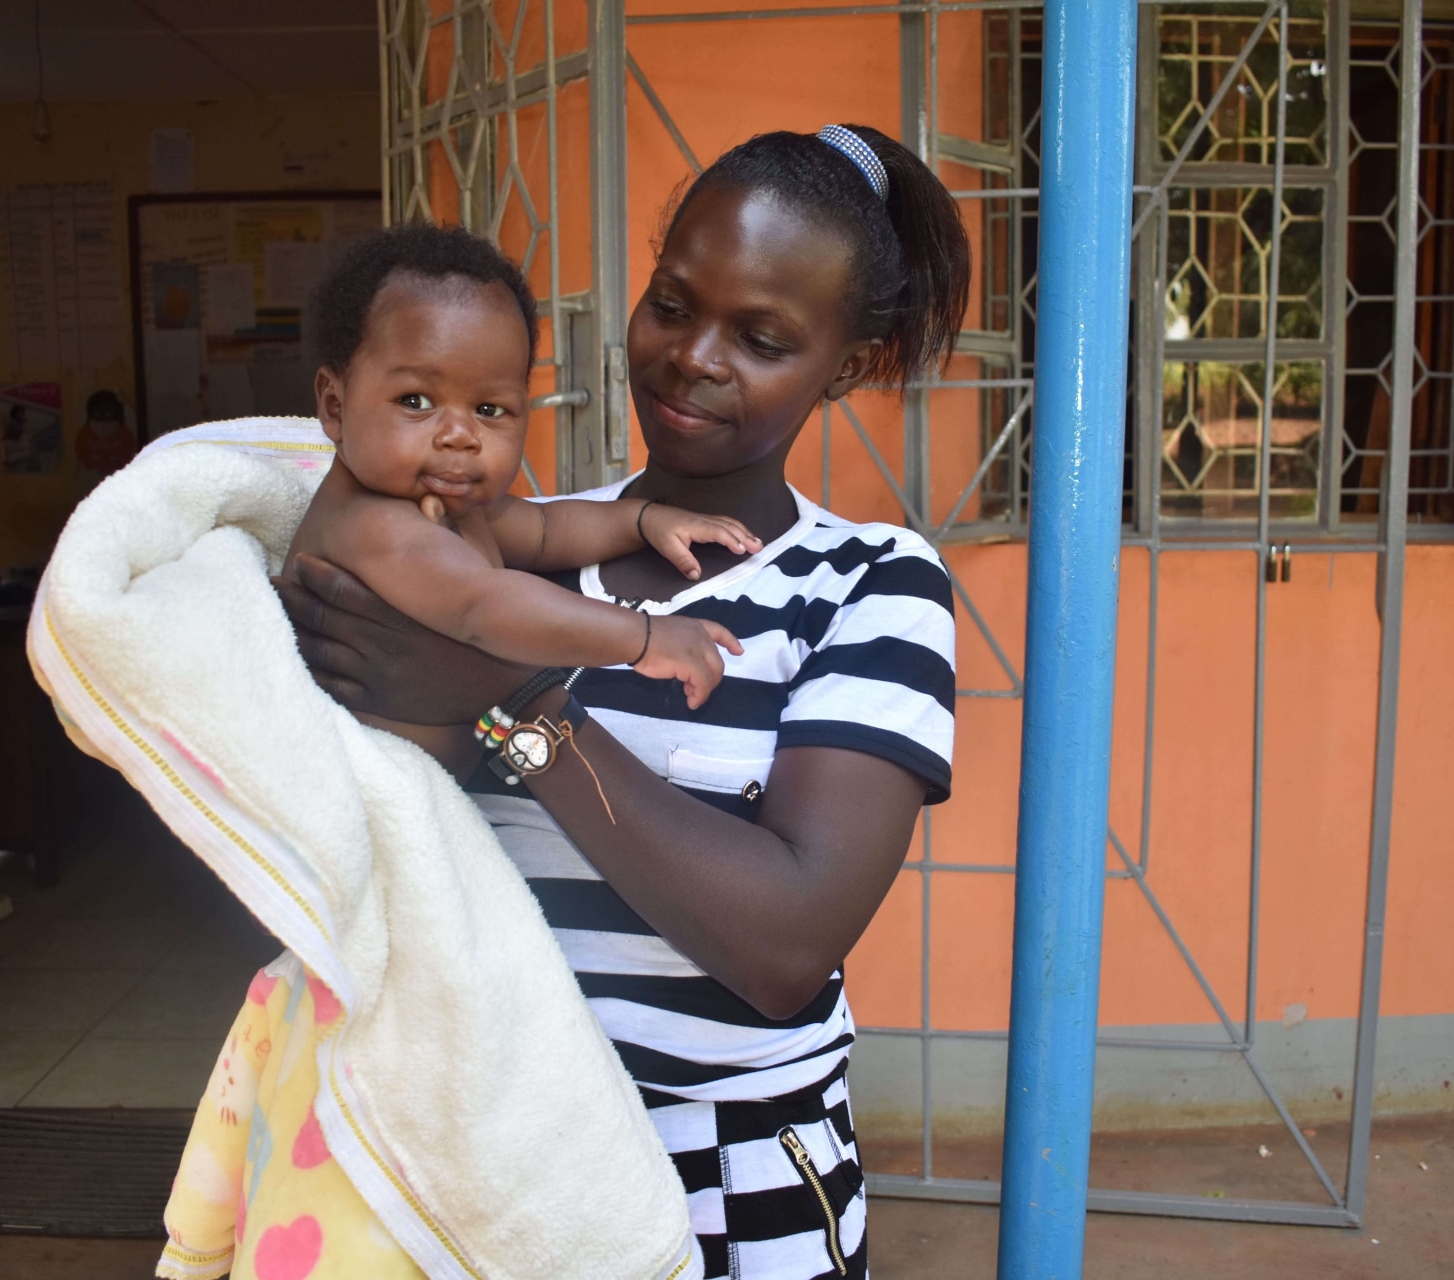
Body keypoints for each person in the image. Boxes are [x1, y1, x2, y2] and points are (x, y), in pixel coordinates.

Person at [278, 123, 969, 1279]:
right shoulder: (490, 543)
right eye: (672, 303)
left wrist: (514, 705)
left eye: (760, 336)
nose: (694, 356)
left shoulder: (873, 585)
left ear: (845, 366)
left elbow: (784, 941)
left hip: (723, 1178)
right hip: (479, 1164)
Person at [290, 224, 763, 720]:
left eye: (490, 409)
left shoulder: (455, 508)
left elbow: (545, 529)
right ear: (334, 406)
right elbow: (483, 606)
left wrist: (643, 521)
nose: (460, 435)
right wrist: (643, 636)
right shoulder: (372, 525)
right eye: (416, 401)